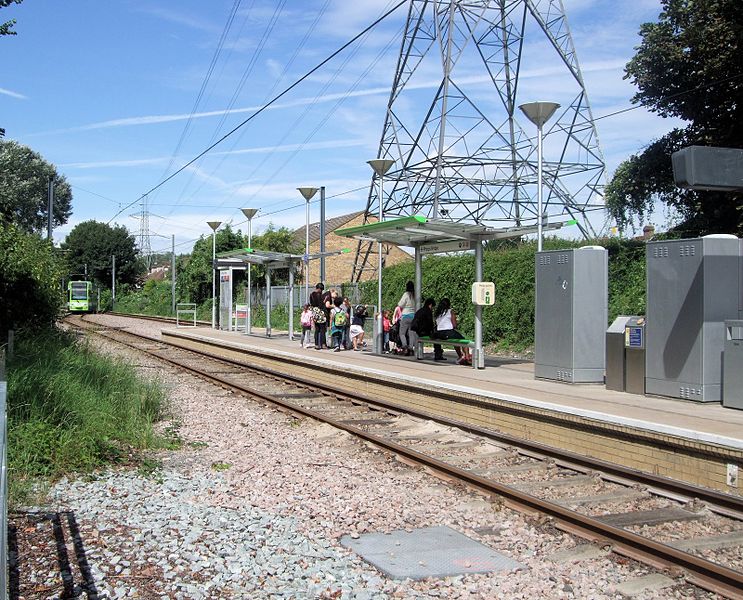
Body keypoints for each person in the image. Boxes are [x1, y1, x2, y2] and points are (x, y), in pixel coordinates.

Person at [433, 297, 471, 365]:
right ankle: (467, 357)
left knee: (456, 340)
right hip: (448, 332)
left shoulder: (438, 313)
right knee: (463, 340)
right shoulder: (450, 311)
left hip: (439, 333)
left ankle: (460, 356)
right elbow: (454, 325)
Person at [396, 280, 416, 356]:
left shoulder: (406, 294)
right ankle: (411, 348)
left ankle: (405, 347)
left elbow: (400, 304)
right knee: (411, 334)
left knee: (402, 333)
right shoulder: (415, 295)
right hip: (413, 316)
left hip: (406, 316)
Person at [309, 283, 329, 350]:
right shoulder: (319, 295)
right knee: (322, 329)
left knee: (317, 329)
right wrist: (324, 300)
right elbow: (321, 305)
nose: (322, 291)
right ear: (319, 289)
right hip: (320, 313)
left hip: (314, 312)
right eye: (321, 289)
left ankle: (316, 344)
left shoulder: (311, 294)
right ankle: (323, 344)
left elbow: (312, 304)